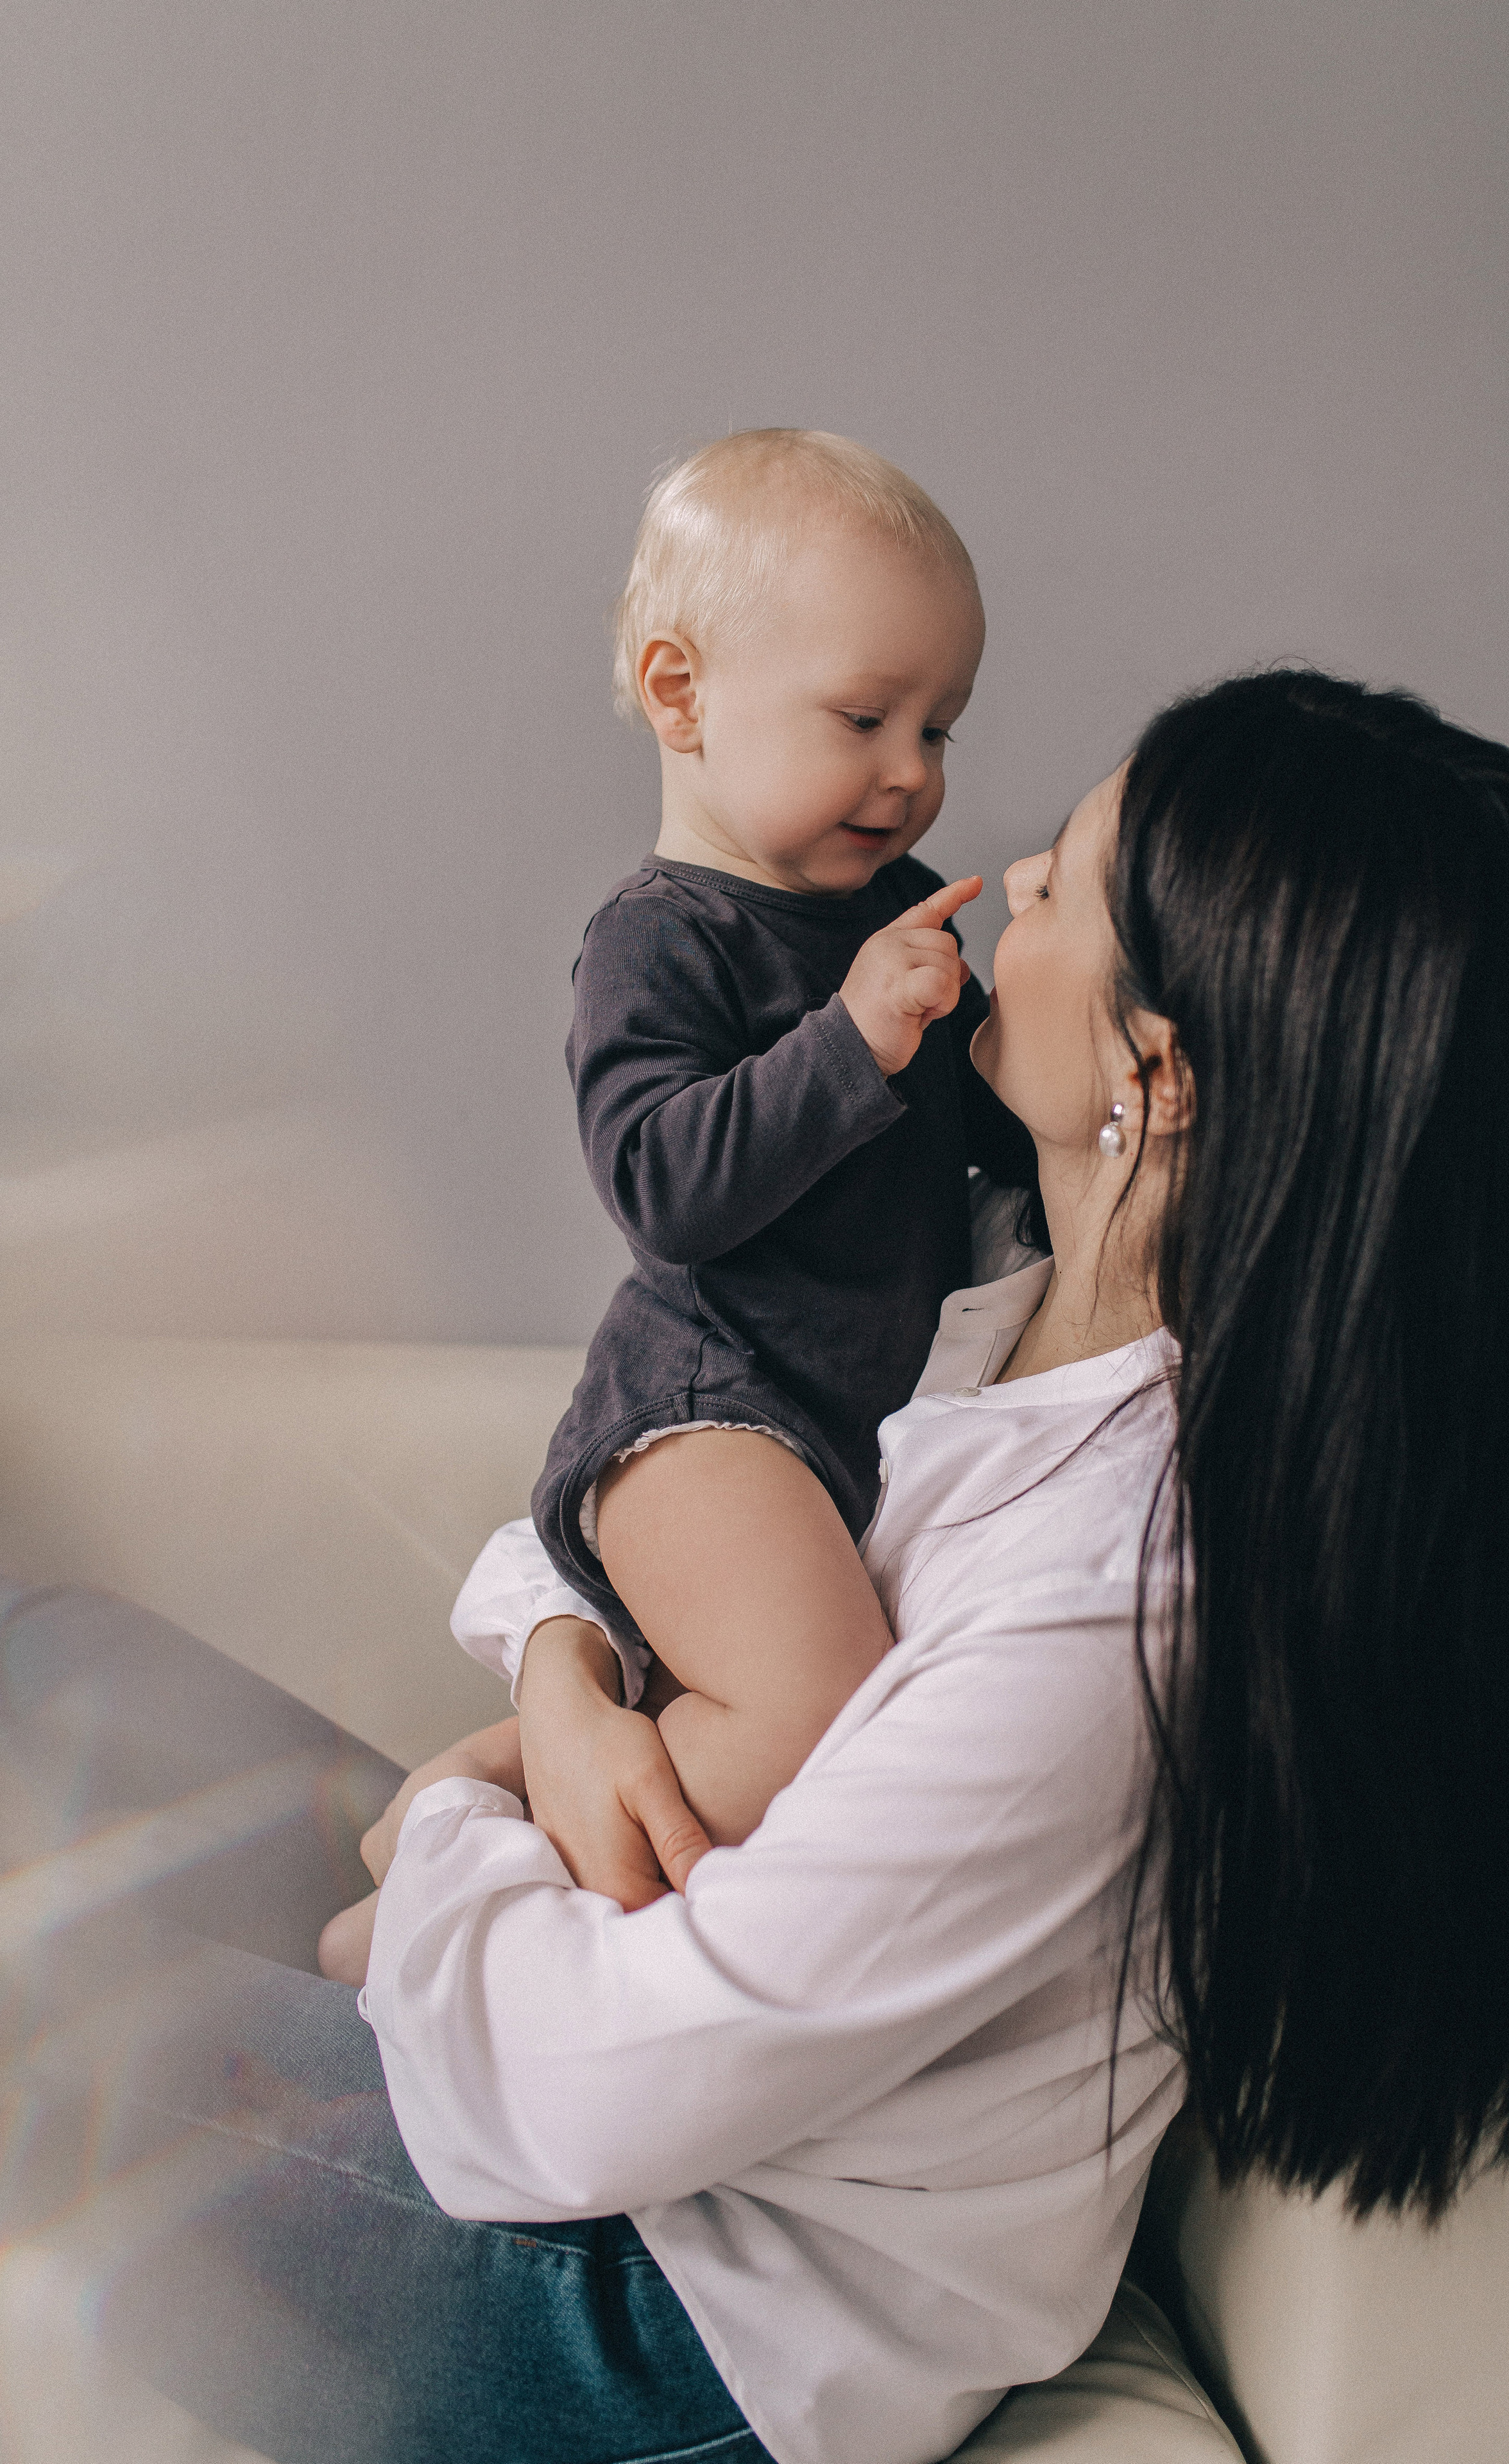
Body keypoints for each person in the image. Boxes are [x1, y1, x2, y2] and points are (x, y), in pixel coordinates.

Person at [8, 671, 1509, 2464]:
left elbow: (589, 2101)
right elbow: (622, 1462)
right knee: (52, 1667)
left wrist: (455, 1839)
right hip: (602, 1954)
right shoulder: (978, 1288)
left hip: (660, 2319)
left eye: (1065, 884)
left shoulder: (1109, 1620)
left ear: (1153, 1076)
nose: (1001, 875)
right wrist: (558, 1687)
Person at [318, 429, 1038, 1980]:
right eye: (864, 716)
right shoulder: (659, 939)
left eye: (940, 727)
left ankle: (467, 1797)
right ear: (678, 693)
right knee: (815, 1717)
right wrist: (852, 1038)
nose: (912, 771)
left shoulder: (883, 936)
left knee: (742, 1705)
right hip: (710, 1411)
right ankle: (424, 1922)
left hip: (830, 1424)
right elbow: (666, 1189)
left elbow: (990, 1148)